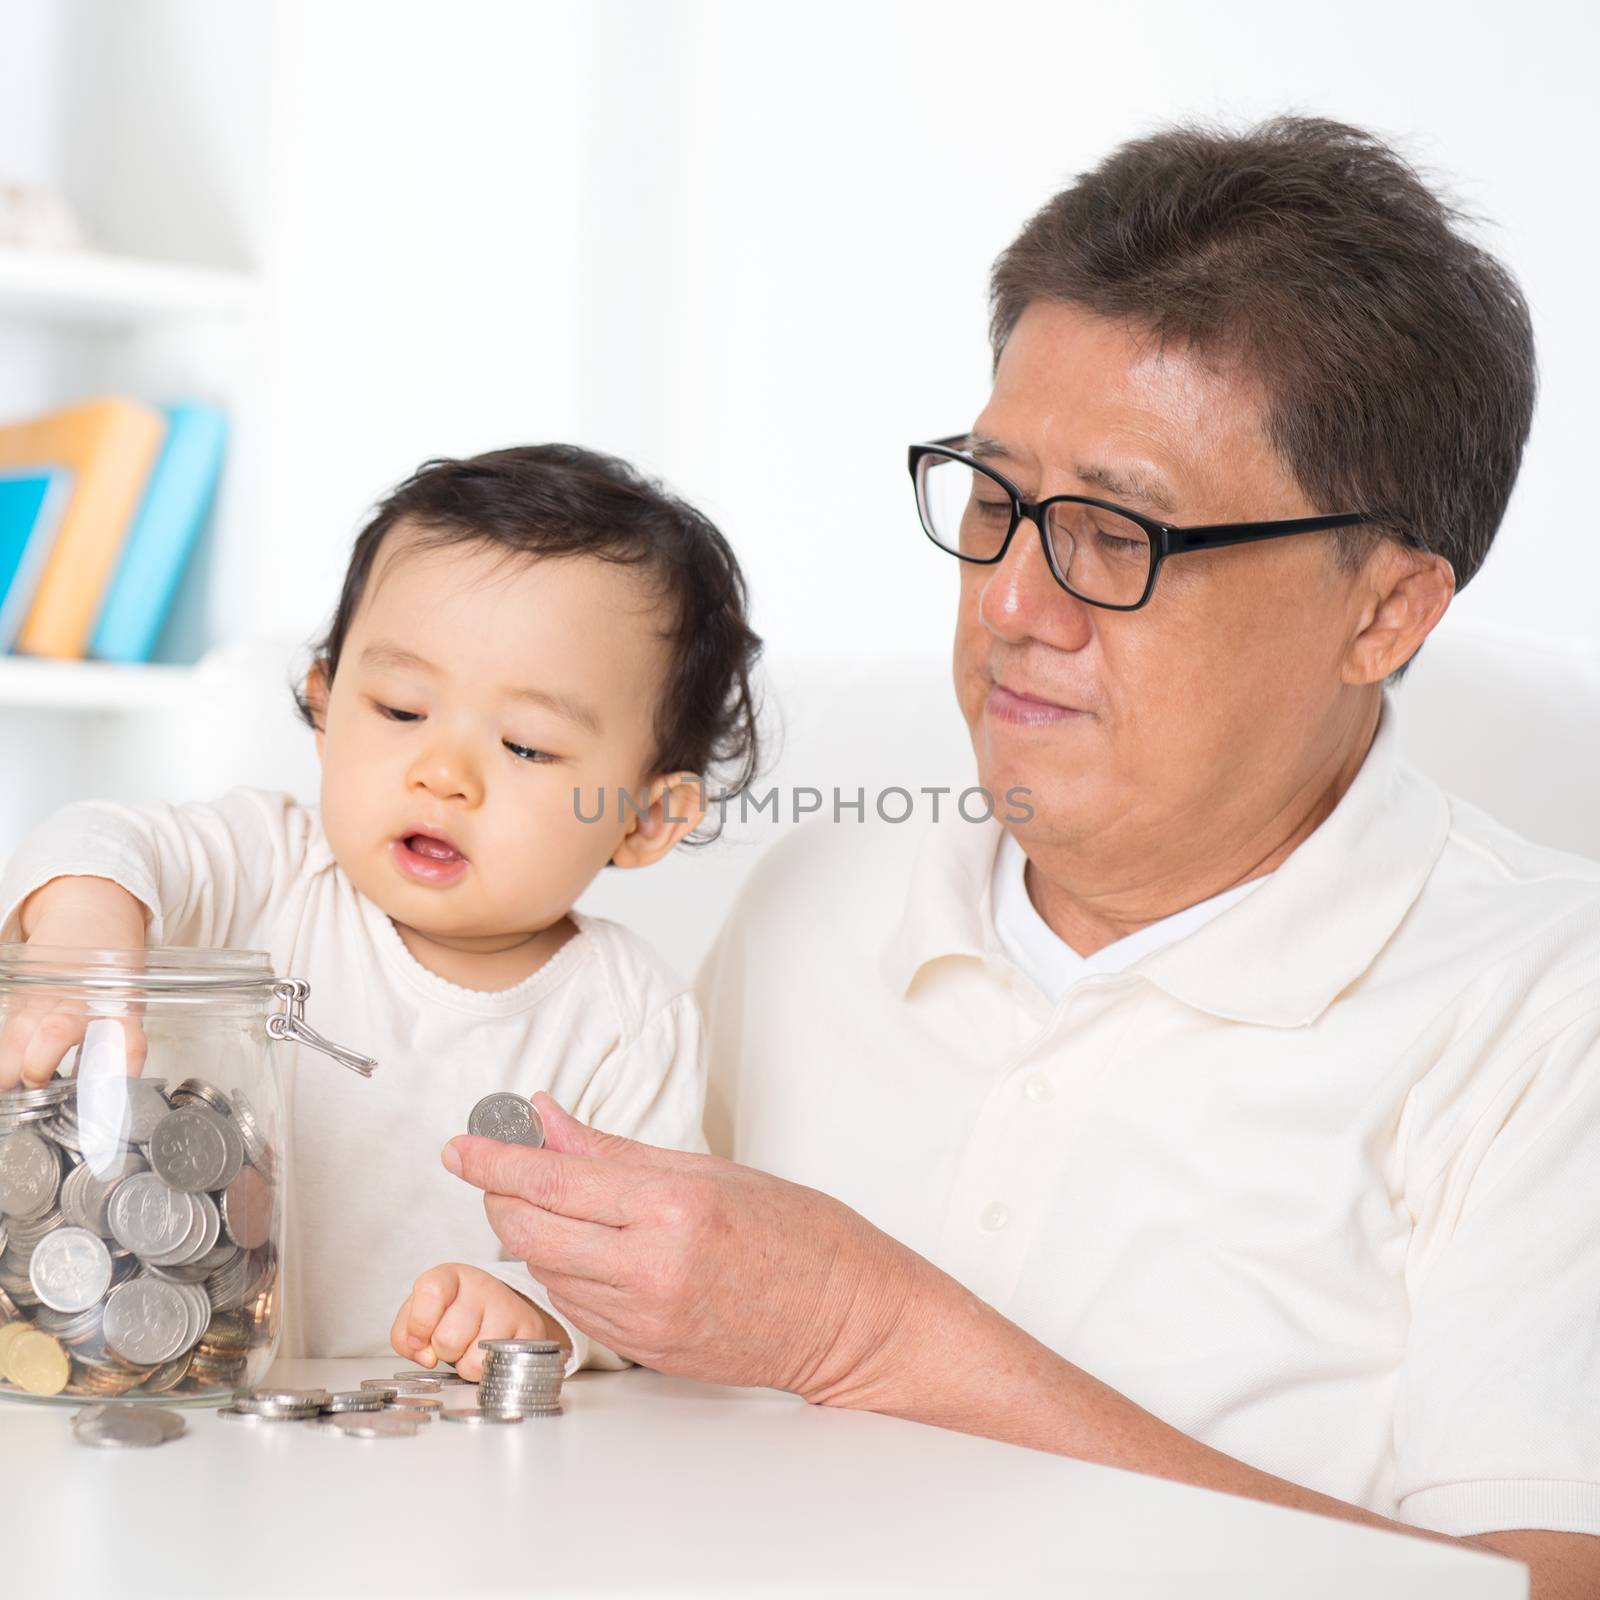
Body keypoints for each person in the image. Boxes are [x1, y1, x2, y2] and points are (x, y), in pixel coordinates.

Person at [438, 121, 1600, 1595]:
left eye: (1116, 533)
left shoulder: (1552, 1008)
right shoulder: (815, 900)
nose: (1014, 604)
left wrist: (874, 1336)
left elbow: (1547, 1583)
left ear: (1385, 612)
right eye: (994, 505)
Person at [0, 443, 761, 1380]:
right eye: (401, 709)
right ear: (324, 708)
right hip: (176, 1389)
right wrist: (86, 935)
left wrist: (538, 1316)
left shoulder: (628, 1018)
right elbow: (101, 838)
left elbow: (652, 1266)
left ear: (644, 818)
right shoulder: (270, 865)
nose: (442, 772)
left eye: (525, 746)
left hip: (426, 1459)